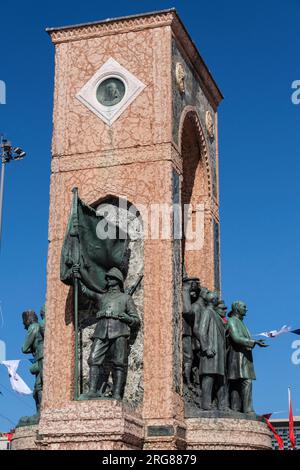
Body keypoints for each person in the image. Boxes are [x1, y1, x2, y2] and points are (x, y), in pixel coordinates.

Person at [73, 266, 140, 400]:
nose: (108, 279)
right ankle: (92, 390)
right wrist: (77, 278)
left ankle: (116, 394)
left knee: (119, 363)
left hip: (119, 331)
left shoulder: (126, 298)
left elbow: (136, 320)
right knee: (93, 359)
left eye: (111, 277)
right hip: (102, 331)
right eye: (108, 277)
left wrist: (126, 318)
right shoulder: (102, 297)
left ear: (118, 280)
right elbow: (85, 291)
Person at [227, 301, 268, 413]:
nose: (246, 309)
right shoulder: (232, 321)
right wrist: (253, 342)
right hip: (237, 357)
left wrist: (254, 342)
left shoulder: (241, 322)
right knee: (245, 382)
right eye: (244, 307)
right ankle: (247, 409)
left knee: (238, 383)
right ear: (236, 308)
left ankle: (236, 409)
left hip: (244, 357)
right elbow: (236, 338)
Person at [196, 291, 227, 411]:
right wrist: (206, 347)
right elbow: (202, 331)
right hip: (210, 352)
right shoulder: (207, 312)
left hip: (218, 353)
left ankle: (221, 405)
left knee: (219, 379)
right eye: (216, 299)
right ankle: (205, 403)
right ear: (213, 300)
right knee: (208, 378)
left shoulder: (215, 313)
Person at [21, 310, 44, 418]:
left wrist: (34, 349)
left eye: (24, 322)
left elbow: (24, 348)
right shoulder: (41, 325)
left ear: (28, 320)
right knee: (38, 388)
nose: (23, 325)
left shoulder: (33, 327)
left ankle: (42, 412)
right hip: (42, 357)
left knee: (39, 387)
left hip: (41, 357)